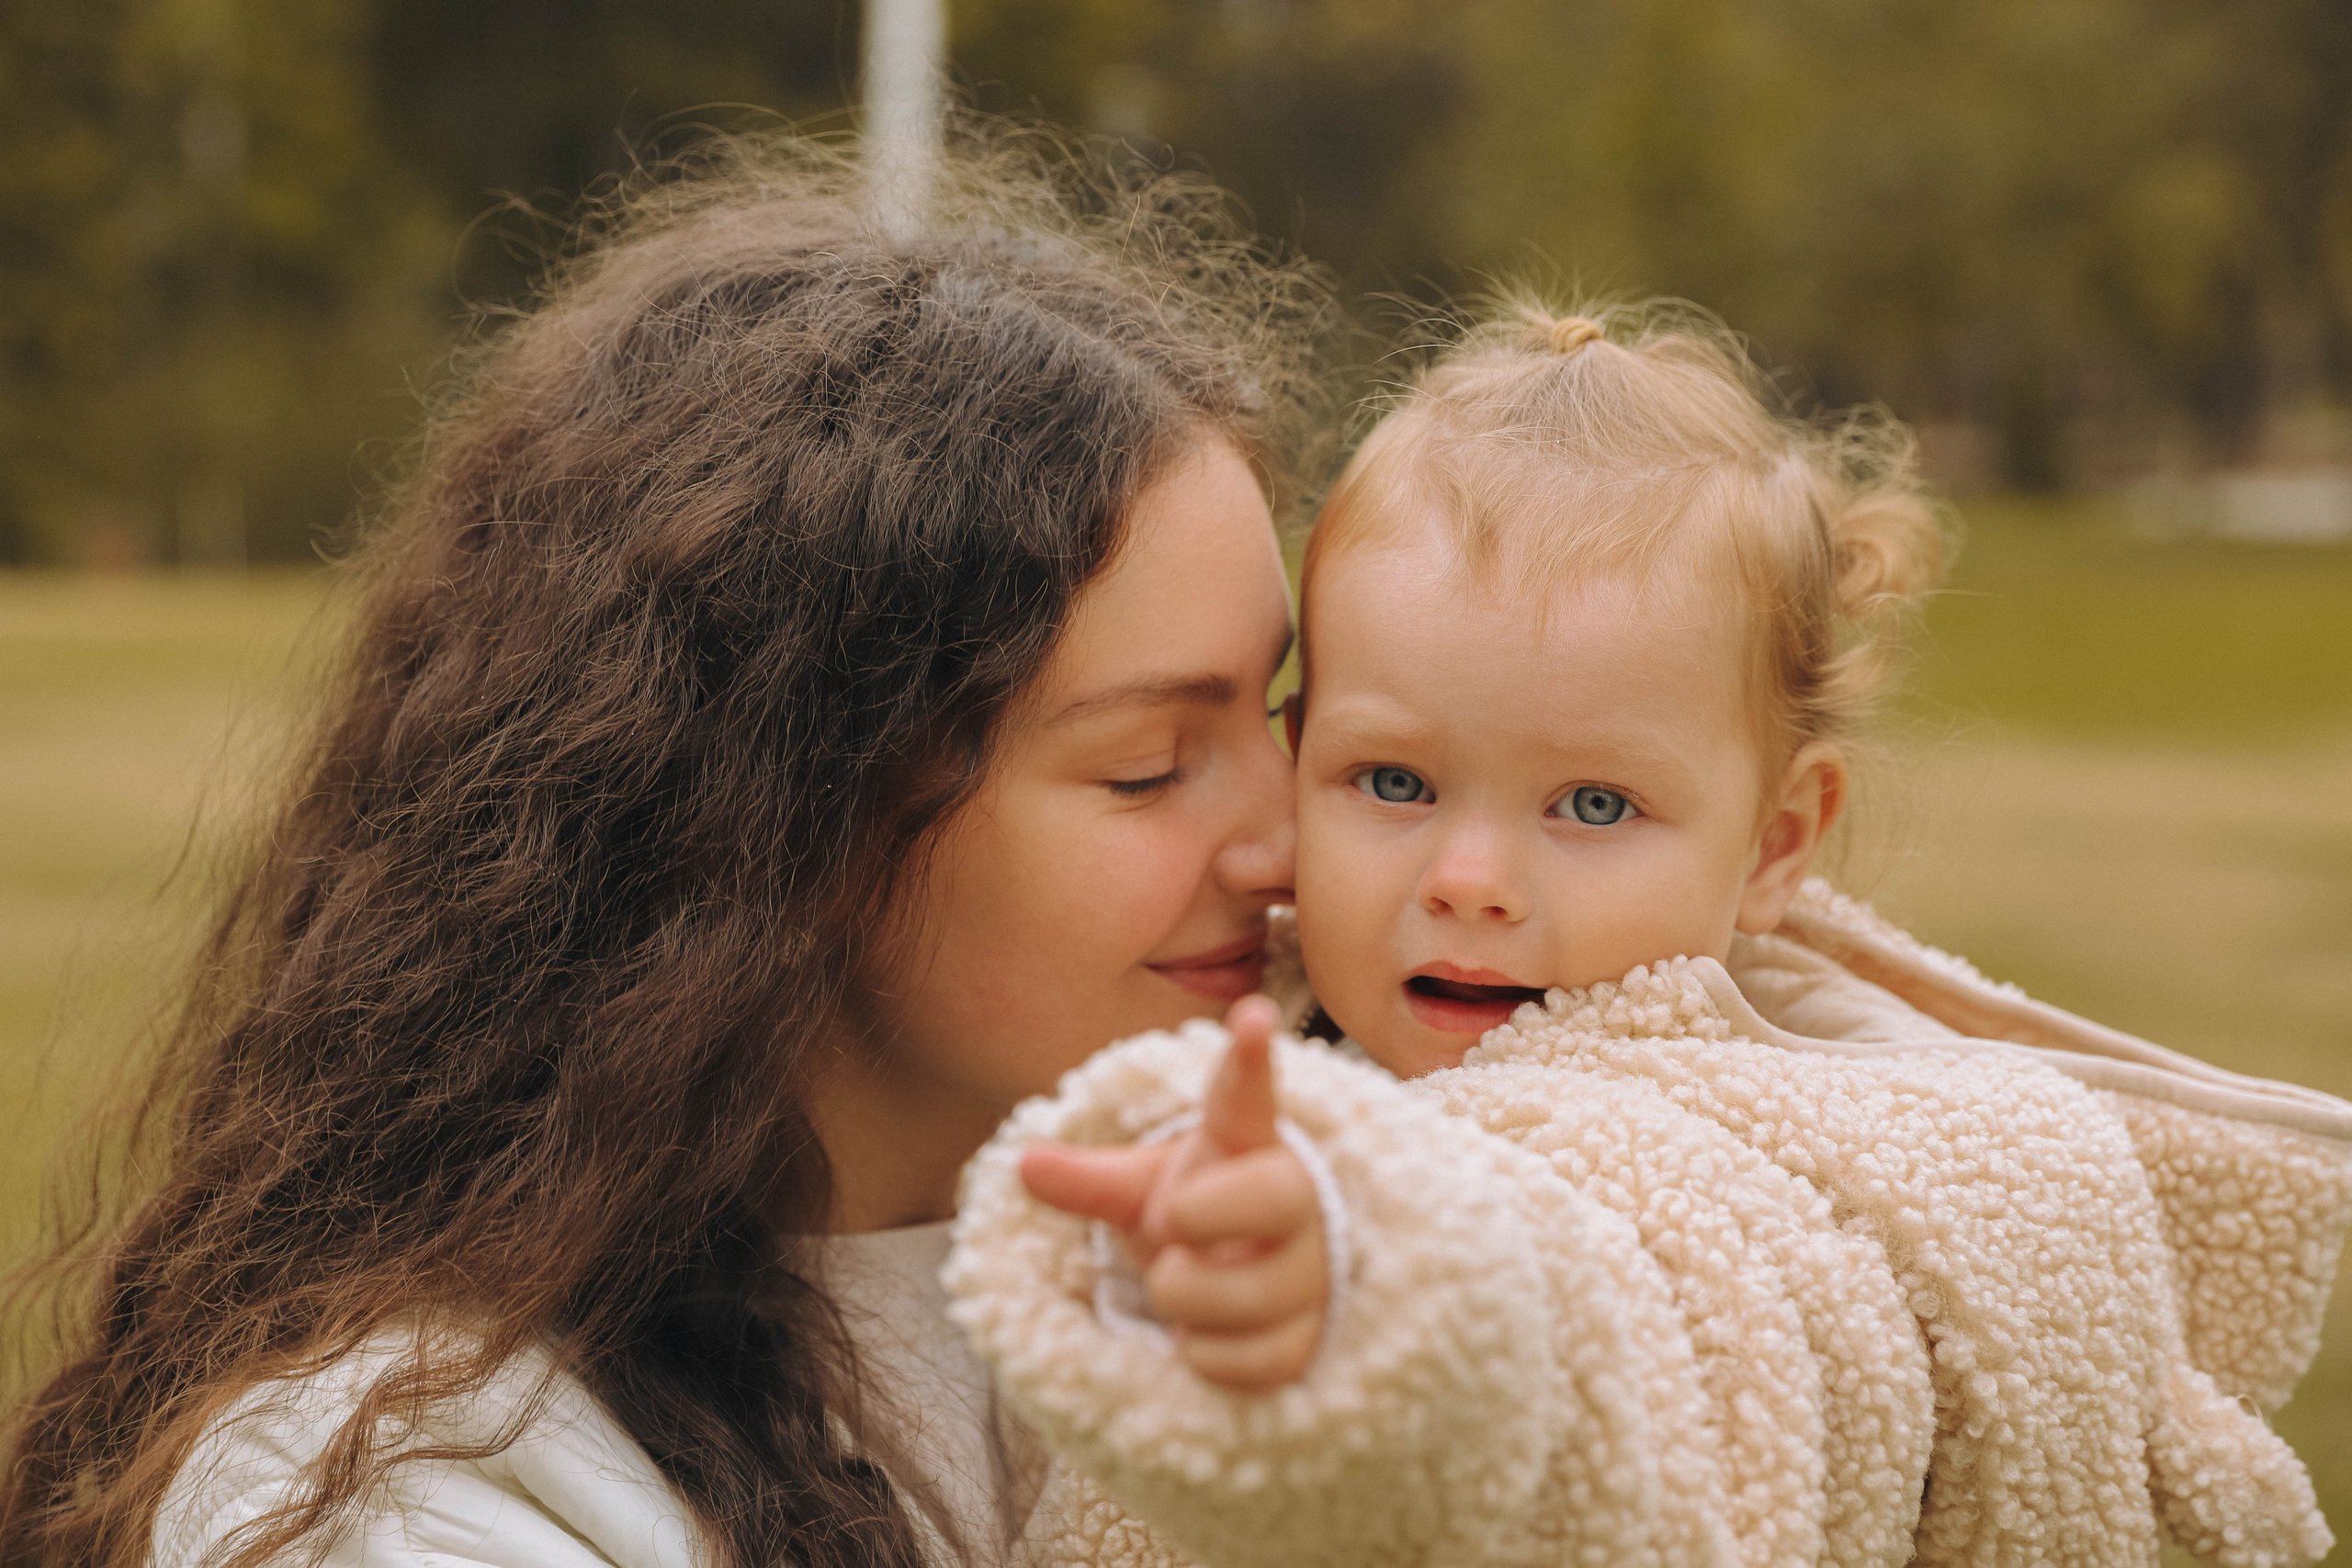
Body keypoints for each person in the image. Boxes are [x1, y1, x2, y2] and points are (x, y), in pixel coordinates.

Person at [0, 129, 1331, 1568]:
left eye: (1282, 712)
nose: (1290, 836)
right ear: (786, 820)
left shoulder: (1299, 1267)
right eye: (1147, 767)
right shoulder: (409, 1482)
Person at [979, 304, 2352, 1568]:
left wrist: (1361, 1285)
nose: (1470, 880)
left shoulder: (1746, 1165)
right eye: (1392, 781)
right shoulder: (1245, 1027)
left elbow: (1639, 1323)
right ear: (1301, 758)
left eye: (1591, 803)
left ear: (1774, 845)